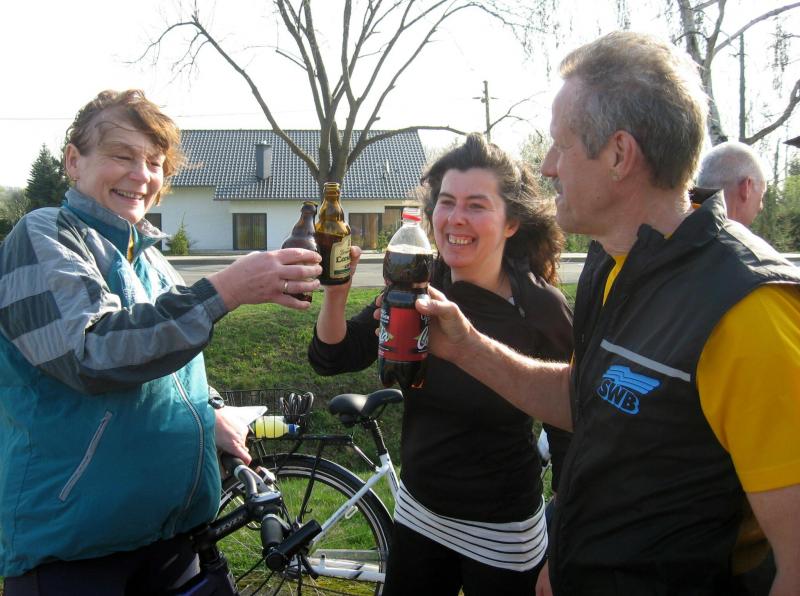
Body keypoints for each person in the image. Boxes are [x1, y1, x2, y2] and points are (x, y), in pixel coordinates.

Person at [415, 32, 800, 595]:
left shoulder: (748, 312)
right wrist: (465, 346)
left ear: (619, 154)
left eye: (561, 145)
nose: (547, 166)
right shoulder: (614, 260)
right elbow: (589, 400)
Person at [0, 89, 321, 595]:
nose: (141, 175)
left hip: (173, 538)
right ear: (74, 161)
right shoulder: (45, 235)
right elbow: (91, 353)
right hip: (76, 550)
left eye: (154, 163)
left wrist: (209, 412)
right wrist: (226, 289)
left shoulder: (150, 258)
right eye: (122, 156)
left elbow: (171, 366)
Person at [308, 133, 573, 594]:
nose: (455, 218)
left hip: (503, 531)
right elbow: (333, 355)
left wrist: (565, 545)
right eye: (446, 202)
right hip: (419, 514)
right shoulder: (419, 283)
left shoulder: (539, 309)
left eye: (476, 205)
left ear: (511, 223)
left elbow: (574, 430)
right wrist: (336, 293)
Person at [695, 140, 768, 226]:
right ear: (746, 188)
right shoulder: (735, 235)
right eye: (761, 197)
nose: (760, 207)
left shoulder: (682, 227)